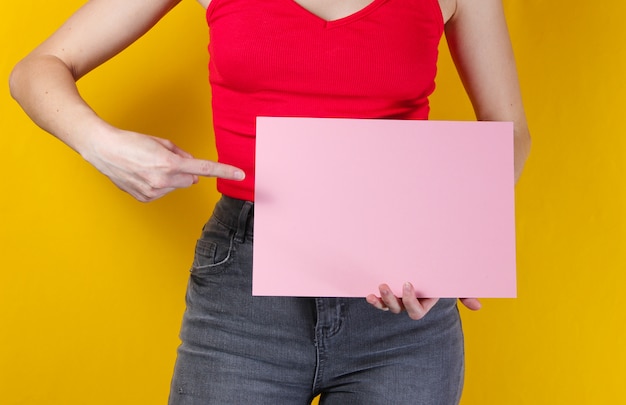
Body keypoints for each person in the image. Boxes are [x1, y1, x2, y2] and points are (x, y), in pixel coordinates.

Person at [9, 0, 531, 403]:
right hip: (245, 291)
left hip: (402, 303)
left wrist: (451, 239)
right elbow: (37, 68)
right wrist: (103, 146)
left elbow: (510, 131)